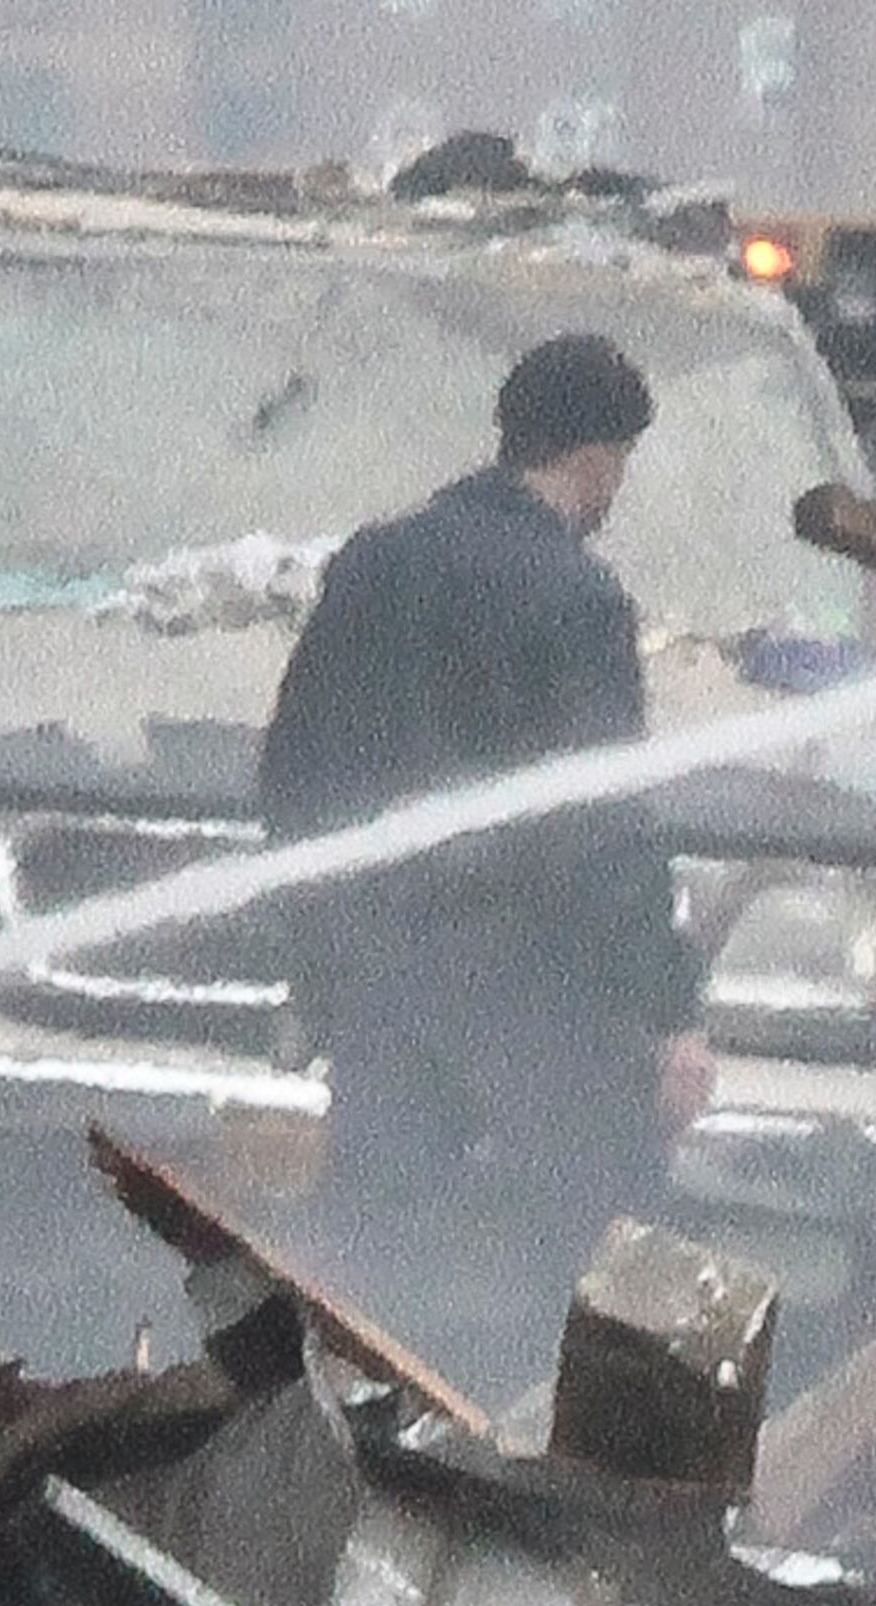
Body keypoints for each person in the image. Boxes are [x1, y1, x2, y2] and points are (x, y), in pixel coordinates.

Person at [259, 330, 708, 1405]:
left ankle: (344, 1447)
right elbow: (602, 828)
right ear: (600, 461)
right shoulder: (575, 598)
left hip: (377, 988)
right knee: (603, 1248)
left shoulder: (377, 563)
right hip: (531, 1001)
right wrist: (671, 1008)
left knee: (367, 1262)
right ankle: (589, 1463)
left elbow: (294, 776)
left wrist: (323, 970)